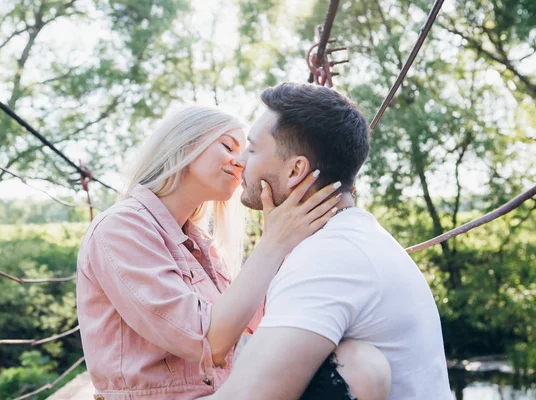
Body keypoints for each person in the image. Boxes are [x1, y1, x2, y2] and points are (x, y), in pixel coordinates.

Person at [75, 105, 345, 400]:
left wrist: (295, 237)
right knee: (355, 374)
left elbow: (260, 319)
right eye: (228, 146)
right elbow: (208, 341)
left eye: (247, 153)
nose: (241, 161)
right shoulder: (120, 228)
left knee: (356, 362)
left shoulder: (199, 243)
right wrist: (274, 241)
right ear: (184, 145)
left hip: (220, 393)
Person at [203, 82, 450, 400]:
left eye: (252, 148)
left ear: (295, 170)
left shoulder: (329, 257)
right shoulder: (357, 237)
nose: (240, 161)